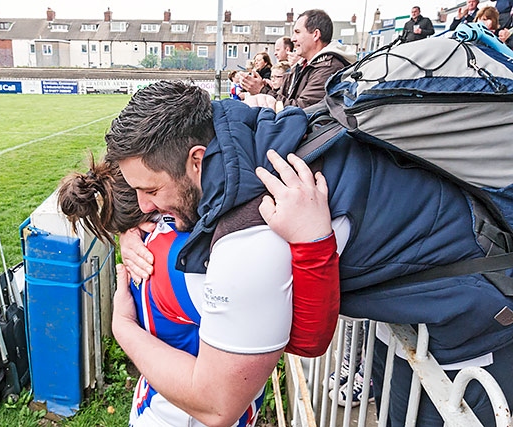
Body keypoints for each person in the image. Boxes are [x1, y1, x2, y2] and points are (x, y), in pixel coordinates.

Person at [118, 81, 513, 427]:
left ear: (197, 159)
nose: (145, 207)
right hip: (426, 297)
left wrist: (124, 329)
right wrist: (128, 231)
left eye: (151, 192)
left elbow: (217, 403)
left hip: (474, 318)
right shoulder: (245, 134)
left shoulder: (254, 237)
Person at [79, 82, 339, 426]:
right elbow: (306, 340)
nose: (148, 205)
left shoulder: (182, 237)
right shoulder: (208, 249)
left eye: (151, 191)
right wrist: (314, 242)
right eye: (141, 193)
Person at [241, 9, 355, 110]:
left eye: (297, 32)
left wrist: (261, 90)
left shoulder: (328, 68)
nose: (293, 39)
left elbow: (300, 110)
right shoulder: (303, 65)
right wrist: (266, 88)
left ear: (315, 35)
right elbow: (286, 99)